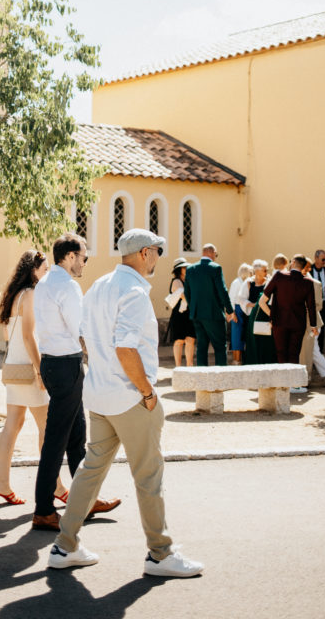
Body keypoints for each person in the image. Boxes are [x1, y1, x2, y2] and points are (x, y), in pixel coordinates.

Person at [47, 229, 204, 579]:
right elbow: (126, 348)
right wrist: (147, 392)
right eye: (157, 252)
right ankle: (160, 554)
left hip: (100, 395)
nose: (159, 258)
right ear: (146, 253)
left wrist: (104, 372)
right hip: (130, 398)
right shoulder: (133, 292)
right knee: (149, 475)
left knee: (91, 470)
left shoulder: (100, 285)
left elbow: (86, 336)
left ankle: (64, 545)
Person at [31, 233, 120, 531]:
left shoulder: (43, 283)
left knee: (76, 436)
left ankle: (87, 498)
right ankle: (43, 509)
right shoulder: (67, 286)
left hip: (52, 363)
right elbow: (80, 328)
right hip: (66, 365)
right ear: (69, 256)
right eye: (84, 256)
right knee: (57, 440)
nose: (85, 262)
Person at [0, 250, 69, 506]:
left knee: (12, 425)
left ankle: (2, 484)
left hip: (14, 367)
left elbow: (8, 335)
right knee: (47, 427)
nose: (46, 275)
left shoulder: (13, 295)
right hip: (28, 368)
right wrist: (39, 370)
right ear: (33, 270)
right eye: (44, 270)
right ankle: (56, 486)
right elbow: (28, 336)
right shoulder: (32, 294)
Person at [259, 255, 317, 378]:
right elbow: (311, 306)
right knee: (294, 353)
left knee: (281, 353)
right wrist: (313, 325)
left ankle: (283, 383)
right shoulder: (308, 282)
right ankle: (293, 383)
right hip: (298, 323)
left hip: (279, 322)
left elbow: (262, 301)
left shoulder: (279, 276)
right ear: (303, 266)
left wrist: (272, 315)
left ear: (293, 262)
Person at [183, 243, 233, 366]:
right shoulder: (215, 268)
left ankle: (202, 376)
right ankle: (221, 378)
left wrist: (193, 307)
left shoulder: (190, 269)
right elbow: (222, 290)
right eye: (216, 254)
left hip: (197, 314)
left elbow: (187, 292)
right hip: (214, 313)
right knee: (220, 346)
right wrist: (230, 310)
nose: (216, 257)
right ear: (211, 253)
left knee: (201, 347)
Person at [300, 258, 325, 387]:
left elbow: (318, 305)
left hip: (313, 323)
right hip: (309, 323)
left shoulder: (315, 283)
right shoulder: (302, 282)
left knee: (314, 351)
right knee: (313, 351)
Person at [240, 258, 277, 365]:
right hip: (252, 317)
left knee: (266, 343)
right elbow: (241, 299)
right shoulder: (248, 283)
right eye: (264, 270)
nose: (267, 273)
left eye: (267, 270)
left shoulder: (269, 283)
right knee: (253, 343)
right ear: (256, 271)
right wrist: (254, 305)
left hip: (265, 316)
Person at [165, 257, 196, 366]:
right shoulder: (176, 281)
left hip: (189, 313)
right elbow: (183, 295)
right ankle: (178, 366)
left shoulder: (189, 280)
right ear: (179, 269)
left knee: (190, 340)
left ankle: (189, 365)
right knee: (179, 341)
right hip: (179, 315)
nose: (186, 268)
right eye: (184, 267)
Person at [229, 263, 253, 363]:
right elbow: (231, 298)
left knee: (242, 335)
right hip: (237, 310)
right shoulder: (236, 282)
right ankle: (236, 359)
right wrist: (232, 313)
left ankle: (241, 359)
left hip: (244, 310)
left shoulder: (248, 282)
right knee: (236, 335)